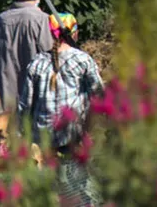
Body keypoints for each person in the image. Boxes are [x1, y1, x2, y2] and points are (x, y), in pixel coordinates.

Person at [17, 12, 103, 206]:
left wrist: (20, 135)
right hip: (71, 135)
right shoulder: (82, 60)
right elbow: (99, 94)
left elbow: (25, 105)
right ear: (74, 33)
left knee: (51, 188)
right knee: (77, 185)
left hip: (43, 138)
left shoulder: (37, 63)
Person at [0, 0, 55, 111]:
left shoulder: (2, 19)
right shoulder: (41, 18)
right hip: (36, 91)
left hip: (10, 90)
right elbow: (48, 51)